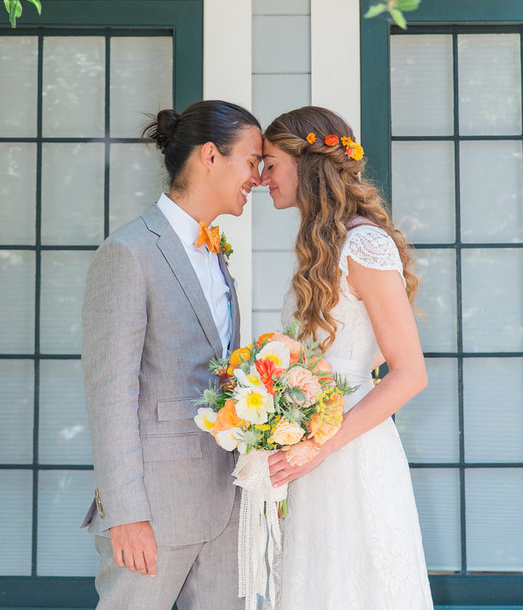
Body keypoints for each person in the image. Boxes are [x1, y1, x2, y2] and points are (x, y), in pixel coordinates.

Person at [81, 99, 262, 610]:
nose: (258, 177)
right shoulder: (128, 252)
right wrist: (126, 513)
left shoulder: (216, 253)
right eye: (251, 161)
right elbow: (110, 394)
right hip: (154, 510)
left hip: (226, 502)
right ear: (211, 155)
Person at [261, 106, 434, 610]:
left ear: (305, 163)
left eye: (271, 163)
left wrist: (320, 445)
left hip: (350, 450)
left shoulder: (364, 244)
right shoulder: (320, 246)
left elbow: (410, 373)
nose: (263, 178)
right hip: (310, 447)